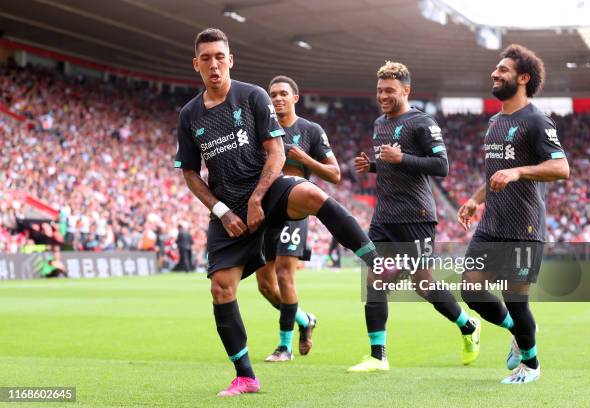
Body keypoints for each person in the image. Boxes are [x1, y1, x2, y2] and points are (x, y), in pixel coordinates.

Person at [175, 28, 386, 397]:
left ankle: (374, 259)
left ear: (230, 60)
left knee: (310, 193)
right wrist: (223, 210)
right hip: (228, 209)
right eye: (206, 58)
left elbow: (276, 152)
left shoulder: (253, 96)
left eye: (219, 57)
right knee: (222, 288)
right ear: (196, 64)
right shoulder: (190, 115)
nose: (214, 64)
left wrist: (258, 197)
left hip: (267, 190)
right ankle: (245, 376)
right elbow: (191, 173)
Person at [350, 61, 480, 373]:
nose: (384, 95)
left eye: (390, 91)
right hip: (384, 215)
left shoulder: (422, 122)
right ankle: (377, 356)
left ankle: (468, 325)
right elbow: (391, 164)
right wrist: (373, 166)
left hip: (416, 215)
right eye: (380, 90)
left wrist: (401, 157)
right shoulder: (379, 123)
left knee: (423, 284)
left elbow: (441, 165)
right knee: (375, 280)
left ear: (406, 90)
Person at [457, 44, 569, 384]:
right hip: (491, 225)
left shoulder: (536, 120)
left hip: (524, 225)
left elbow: (561, 168)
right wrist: (476, 199)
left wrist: (519, 172)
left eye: (503, 70)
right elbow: (496, 171)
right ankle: (516, 334)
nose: (495, 73)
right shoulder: (494, 122)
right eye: (496, 68)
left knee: (515, 298)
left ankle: (531, 365)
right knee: (471, 290)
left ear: (523, 78)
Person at [256, 75, 341, 361]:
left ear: (295, 97)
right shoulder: (260, 128)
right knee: (266, 286)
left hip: (293, 209)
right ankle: (304, 320)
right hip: (265, 210)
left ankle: (284, 347)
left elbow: (335, 174)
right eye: (273, 94)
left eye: (283, 94)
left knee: (284, 274)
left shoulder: (310, 130)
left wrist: (305, 159)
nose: (277, 98)